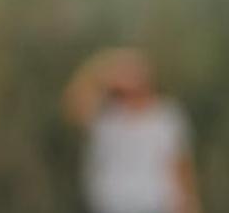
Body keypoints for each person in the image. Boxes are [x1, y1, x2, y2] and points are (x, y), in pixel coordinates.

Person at [63, 48, 203, 213]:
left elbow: (180, 166)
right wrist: (101, 70)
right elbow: (72, 104)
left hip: (157, 204)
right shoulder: (106, 117)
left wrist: (190, 205)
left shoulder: (166, 116)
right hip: (111, 205)